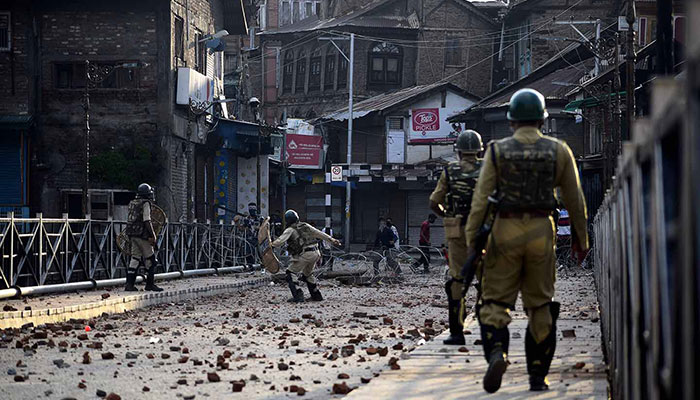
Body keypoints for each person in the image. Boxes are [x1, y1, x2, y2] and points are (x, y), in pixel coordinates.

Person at [465, 88, 589, 393]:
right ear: (542, 120)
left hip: (504, 230)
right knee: (540, 306)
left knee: (494, 302)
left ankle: (497, 354)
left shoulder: (496, 151)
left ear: (511, 122)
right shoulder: (559, 150)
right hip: (540, 231)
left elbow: (480, 202)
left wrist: (473, 242)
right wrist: (580, 239)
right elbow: (576, 201)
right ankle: (537, 376)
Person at [429, 129, 484, 345]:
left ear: (459, 152)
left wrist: (448, 215)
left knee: (457, 279)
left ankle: (457, 332)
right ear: (479, 150)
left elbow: (434, 203)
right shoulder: (488, 168)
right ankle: (486, 328)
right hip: (483, 229)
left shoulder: (450, 170)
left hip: (457, 229)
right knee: (487, 278)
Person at [272, 209, 341, 302]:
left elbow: (280, 241)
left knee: (290, 273)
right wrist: (332, 240)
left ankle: (298, 295)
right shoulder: (306, 226)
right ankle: (316, 295)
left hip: (305, 254)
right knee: (308, 274)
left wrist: (270, 245)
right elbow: (319, 233)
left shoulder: (290, 230)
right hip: (316, 253)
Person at [124, 183, 163, 292]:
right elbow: (147, 220)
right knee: (151, 259)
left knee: (135, 258)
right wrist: (153, 235)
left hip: (131, 234)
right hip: (142, 235)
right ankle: (150, 284)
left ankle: (129, 285)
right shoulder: (145, 203)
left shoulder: (133, 203)